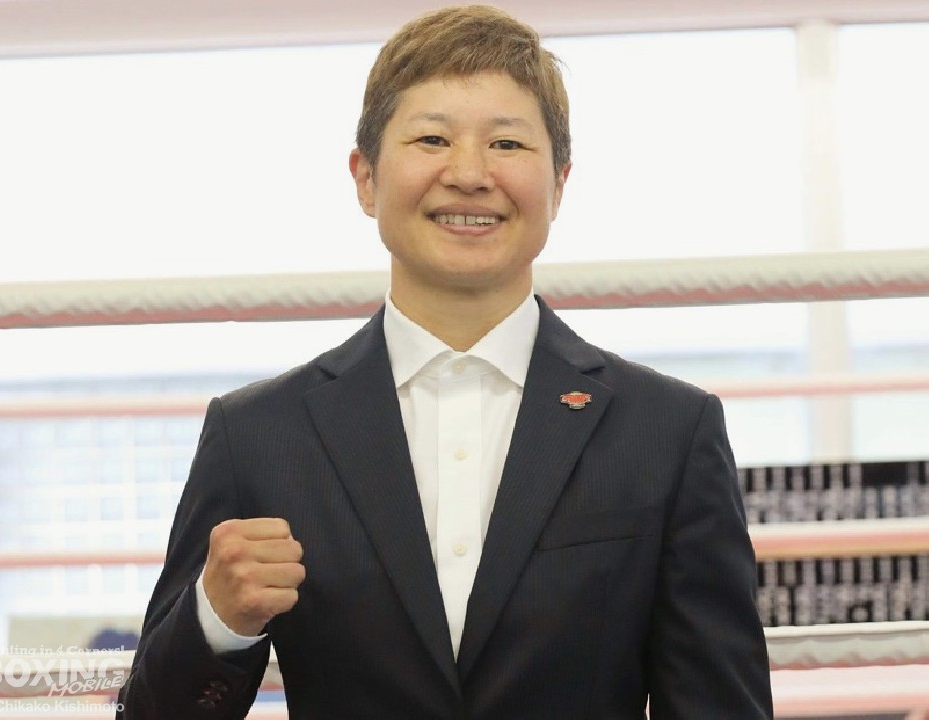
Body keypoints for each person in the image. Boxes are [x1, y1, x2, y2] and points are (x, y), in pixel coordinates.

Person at [117, 5, 773, 718]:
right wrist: (216, 619)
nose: (468, 174)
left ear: (559, 183)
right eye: (432, 138)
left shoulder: (668, 431)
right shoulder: (259, 435)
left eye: (507, 144)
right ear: (365, 178)